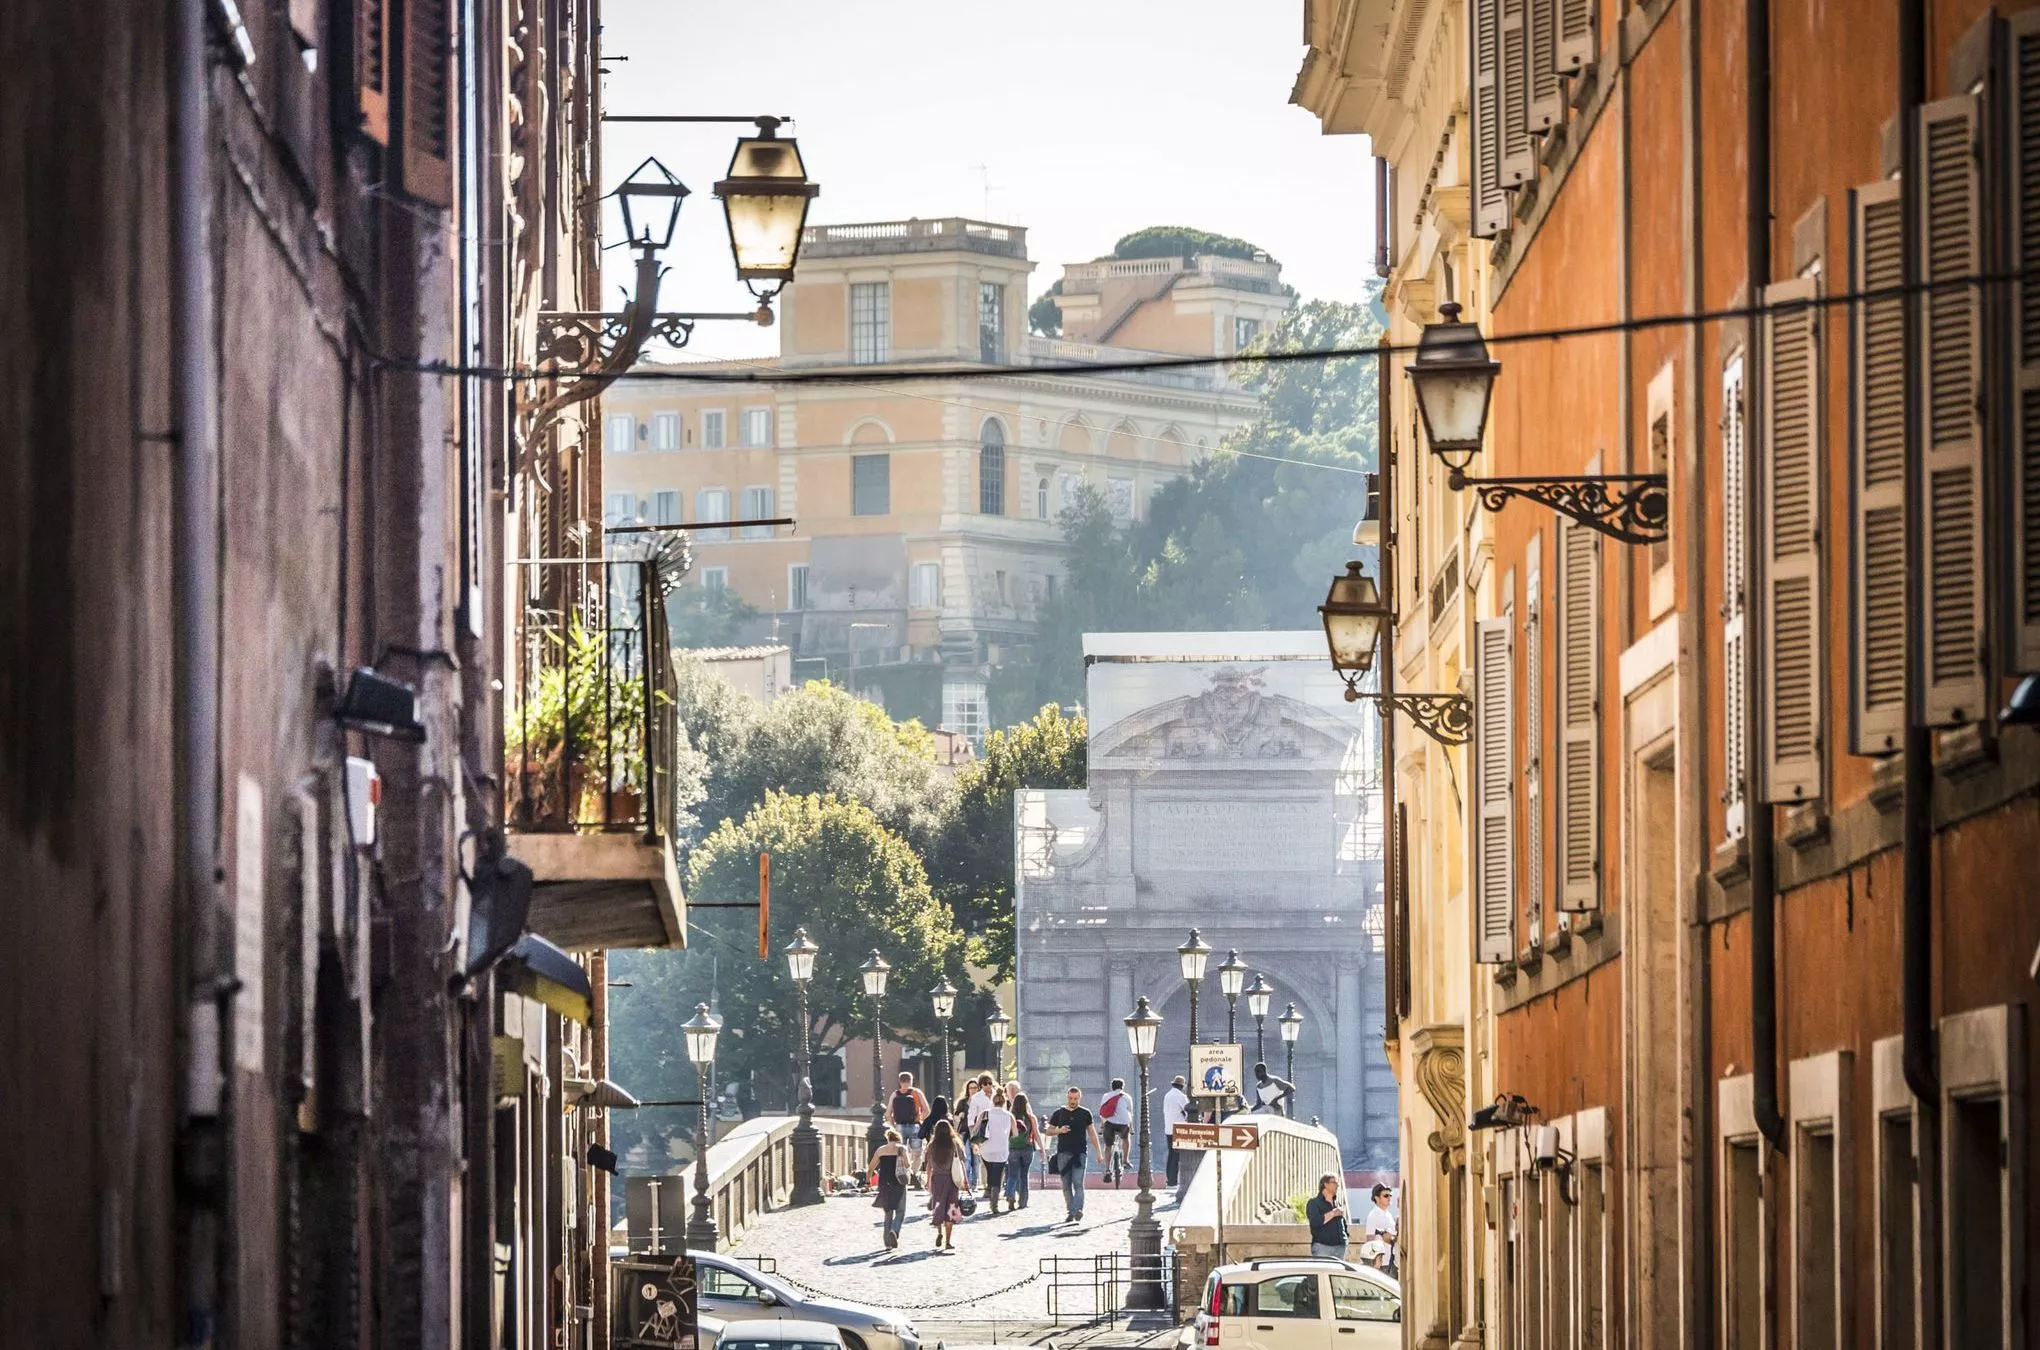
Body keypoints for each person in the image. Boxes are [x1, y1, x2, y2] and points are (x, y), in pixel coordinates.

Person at [1043, 1085, 1104, 1224]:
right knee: (1066, 1186)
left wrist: (1099, 1152)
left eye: (1075, 1098)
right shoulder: (1059, 1112)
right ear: (1067, 1097)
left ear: (1079, 1098)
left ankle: (1077, 1210)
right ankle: (1071, 1211)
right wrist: (1059, 1130)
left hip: (1080, 1153)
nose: (1073, 1101)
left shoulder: (1085, 1113)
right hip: (1063, 1153)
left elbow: (1092, 1133)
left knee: (1078, 1183)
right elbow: (1048, 1131)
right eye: (1071, 1098)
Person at [924, 1119, 968, 1251]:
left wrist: (928, 1180)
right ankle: (948, 1241)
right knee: (951, 1208)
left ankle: (939, 1233)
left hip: (937, 1180)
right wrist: (965, 1180)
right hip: (952, 1180)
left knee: (938, 1206)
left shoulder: (932, 1145)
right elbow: (962, 1162)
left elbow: (928, 1165)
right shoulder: (955, 1144)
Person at [868, 1128, 910, 1250]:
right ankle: (895, 1231)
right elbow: (907, 1165)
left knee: (888, 1213)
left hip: (884, 1184)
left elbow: (871, 1168)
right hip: (899, 1183)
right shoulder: (902, 1148)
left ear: (888, 1138)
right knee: (900, 1211)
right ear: (898, 1138)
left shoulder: (881, 1150)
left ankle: (888, 1243)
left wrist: (867, 1182)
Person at [976, 1087, 1015, 1213]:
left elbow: (975, 1130)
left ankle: (990, 1189)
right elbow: (1015, 1133)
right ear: (1004, 1102)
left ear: (992, 1101)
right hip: (1001, 1149)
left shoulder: (985, 1113)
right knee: (998, 1175)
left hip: (986, 1148)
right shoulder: (1009, 1115)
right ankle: (994, 1203)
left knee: (989, 1171)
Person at [890, 1072, 929, 1181]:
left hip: (899, 1127)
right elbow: (926, 1110)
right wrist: (921, 1122)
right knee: (917, 1153)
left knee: (900, 1153)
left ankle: (903, 1174)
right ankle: (913, 1174)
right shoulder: (916, 1093)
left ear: (899, 1081)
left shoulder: (895, 1094)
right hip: (915, 1126)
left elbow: (888, 1114)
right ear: (911, 1081)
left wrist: (894, 1126)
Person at [1004, 1092, 1039, 1210]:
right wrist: (1042, 1150)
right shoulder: (1031, 1117)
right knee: (1024, 1176)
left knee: (1012, 1174)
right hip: (1027, 1149)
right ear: (1026, 1104)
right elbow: (1037, 1134)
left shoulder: (1009, 1116)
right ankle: (1023, 1202)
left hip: (1012, 1148)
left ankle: (1010, 1195)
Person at [1096, 1078, 1135, 1184]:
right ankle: (1125, 1160)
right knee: (1126, 1138)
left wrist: (1101, 1127)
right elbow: (1130, 1113)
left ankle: (1107, 1169)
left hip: (1109, 1124)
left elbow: (1102, 1112)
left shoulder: (1106, 1096)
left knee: (1108, 1146)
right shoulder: (1127, 1097)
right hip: (1123, 1124)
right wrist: (1131, 1128)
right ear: (1122, 1087)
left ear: (1112, 1086)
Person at [1305, 1173, 1349, 1261]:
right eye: (1335, 1182)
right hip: (1323, 1247)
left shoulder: (1337, 1203)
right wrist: (1333, 1213)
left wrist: (1345, 1238)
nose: (1337, 1185)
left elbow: (1344, 1224)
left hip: (1340, 1247)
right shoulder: (1314, 1203)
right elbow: (1315, 1222)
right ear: (1325, 1184)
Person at [1161, 1075, 1190, 1189]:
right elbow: (1188, 1111)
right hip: (1179, 1129)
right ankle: (1174, 1181)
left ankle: (1170, 1181)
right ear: (1182, 1086)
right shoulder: (1181, 1096)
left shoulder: (1167, 1095)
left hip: (1169, 1128)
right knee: (1178, 1157)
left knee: (1171, 1155)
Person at [1363, 1185, 1399, 1275]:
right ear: (1377, 1198)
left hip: (1391, 1260)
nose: (1389, 1198)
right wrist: (1375, 1261)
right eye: (1386, 1196)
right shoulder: (1373, 1215)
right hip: (1381, 1263)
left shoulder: (1388, 1215)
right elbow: (1370, 1239)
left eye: (1390, 1195)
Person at [918, 1094, 949, 1191]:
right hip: (948, 1146)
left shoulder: (928, 1119)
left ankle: (929, 1184)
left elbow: (920, 1135)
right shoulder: (949, 1119)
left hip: (933, 1146)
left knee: (930, 1165)